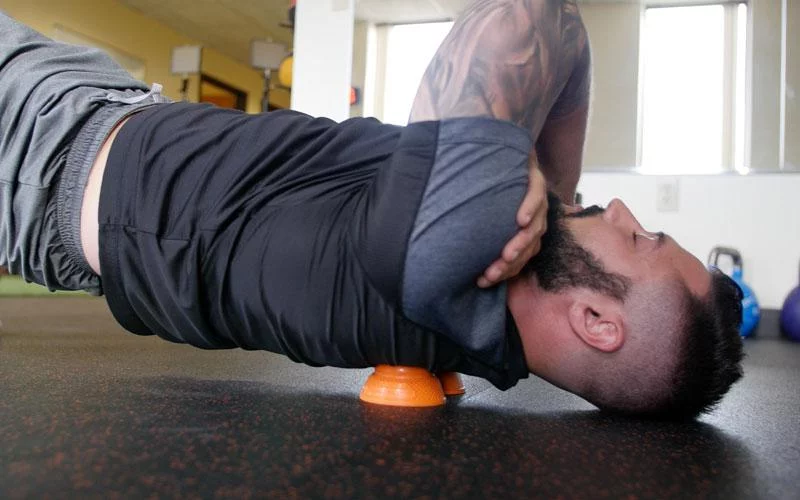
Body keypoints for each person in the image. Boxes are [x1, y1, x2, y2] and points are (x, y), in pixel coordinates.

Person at [0, 0, 743, 420]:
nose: (621, 210)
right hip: (92, 132)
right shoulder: (480, 335)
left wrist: (523, 157)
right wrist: (550, 185)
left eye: (641, 239)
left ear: (597, 322)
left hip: (37, 147)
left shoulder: (471, 238)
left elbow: (539, 15)